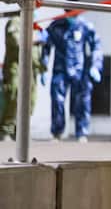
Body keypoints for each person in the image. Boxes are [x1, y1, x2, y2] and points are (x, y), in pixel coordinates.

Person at [44, 9, 103, 141]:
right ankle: (57, 132)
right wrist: (43, 66)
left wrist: (96, 66)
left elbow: (97, 46)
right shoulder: (56, 26)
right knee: (57, 100)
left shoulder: (85, 26)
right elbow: (45, 45)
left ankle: (82, 133)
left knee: (82, 101)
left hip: (80, 70)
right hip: (60, 69)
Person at [1, 15, 45, 139]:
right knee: (14, 98)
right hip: (16, 68)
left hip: (31, 70)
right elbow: (16, 41)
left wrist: (41, 68)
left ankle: (20, 132)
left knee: (30, 102)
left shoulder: (33, 24)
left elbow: (36, 52)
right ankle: (6, 131)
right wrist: (36, 38)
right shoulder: (15, 21)